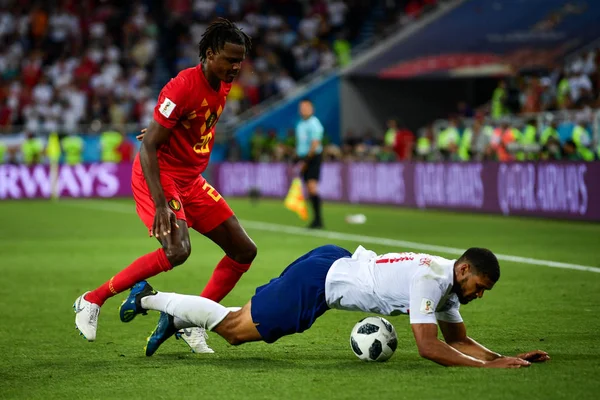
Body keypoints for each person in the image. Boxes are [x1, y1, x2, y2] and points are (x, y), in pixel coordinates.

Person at [74, 18, 257, 354]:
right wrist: (161, 204)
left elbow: (180, 124)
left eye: (239, 61)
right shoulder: (182, 86)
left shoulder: (222, 80)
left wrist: (162, 129)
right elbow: (148, 148)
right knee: (177, 251)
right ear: (209, 54)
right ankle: (91, 299)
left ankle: (191, 322)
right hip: (159, 175)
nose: (236, 67)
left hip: (191, 179)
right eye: (230, 60)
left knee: (244, 251)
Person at [120, 245, 550, 367]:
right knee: (234, 330)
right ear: (464, 270)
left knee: (243, 320)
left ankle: (176, 314)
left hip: (334, 261)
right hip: (322, 281)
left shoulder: (447, 283)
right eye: (480, 285)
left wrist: (505, 358)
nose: (480, 294)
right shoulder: (431, 281)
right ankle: (149, 297)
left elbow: (459, 340)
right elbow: (430, 348)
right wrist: (488, 369)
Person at [295, 98, 325, 229]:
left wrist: (306, 161)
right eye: (301, 108)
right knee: (308, 188)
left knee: (312, 187)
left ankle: (318, 220)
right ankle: (316, 219)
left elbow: (315, 144)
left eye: (306, 107)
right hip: (304, 158)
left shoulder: (315, 124)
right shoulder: (300, 124)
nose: (303, 110)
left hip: (312, 158)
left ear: (311, 109)